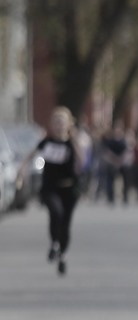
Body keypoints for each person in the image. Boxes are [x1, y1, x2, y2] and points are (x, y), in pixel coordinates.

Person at [18, 106, 83, 277]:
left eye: (62, 122)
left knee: (66, 223)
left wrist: (75, 140)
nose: (59, 125)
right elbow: (29, 157)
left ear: (69, 124)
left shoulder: (71, 143)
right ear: (52, 125)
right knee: (56, 212)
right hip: (50, 188)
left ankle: (62, 254)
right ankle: (54, 243)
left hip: (69, 189)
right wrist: (21, 171)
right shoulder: (46, 142)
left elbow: (82, 162)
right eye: (56, 122)